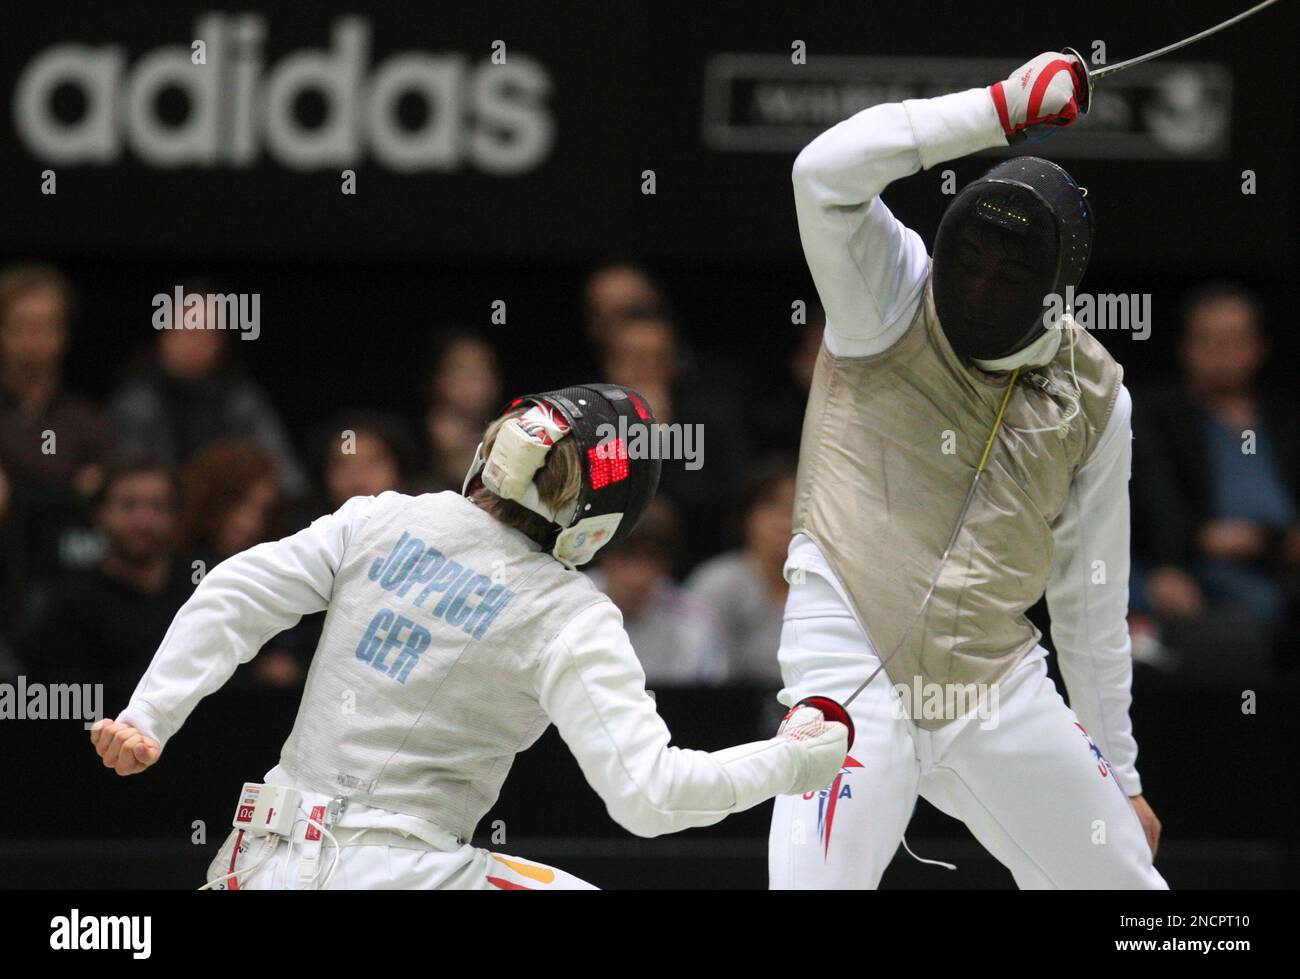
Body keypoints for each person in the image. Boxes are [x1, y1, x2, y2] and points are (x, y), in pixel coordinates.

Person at [92, 384, 847, 890]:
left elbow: (235, 590)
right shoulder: (569, 612)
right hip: (400, 874)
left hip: (253, 861)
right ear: (601, 521)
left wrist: (148, 715)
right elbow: (650, 796)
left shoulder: (383, 517)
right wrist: (795, 758)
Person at [768, 51, 1166, 889]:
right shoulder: (888, 294)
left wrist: (1121, 777)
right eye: (970, 257)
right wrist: (1002, 105)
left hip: (992, 679)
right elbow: (821, 172)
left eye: (1012, 274)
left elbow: (1090, 601)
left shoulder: (1097, 398)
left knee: (1132, 894)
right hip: (850, 653)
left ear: (1055, 291)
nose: (980, 287)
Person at [1130, 284, 1300, 669]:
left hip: (1281, 561)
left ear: (1258, 345)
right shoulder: (1159, 414)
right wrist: (1175, 557)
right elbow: (1153, 505)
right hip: (1198, 564)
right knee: (1249, 613)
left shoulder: (1283, 416)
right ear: (1186, 346)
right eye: (1209, 340)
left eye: (1236, 339)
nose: (1223, 352)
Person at [21, 454, 193, 681]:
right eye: (128, 506)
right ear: (100, 513)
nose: (143, 521)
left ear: (175, 516)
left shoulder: (199, 589)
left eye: (157, 507)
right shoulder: (70, 605)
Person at [686, 457, 798, 687]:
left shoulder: (827, 588)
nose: (785, 522)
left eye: (795, 509)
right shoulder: (716, 583)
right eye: (773, 507)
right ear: (747, 517)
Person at [587, 500, 726, 685]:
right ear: (602, 554)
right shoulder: (569, 605)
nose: (636, 577)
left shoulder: (697, 621)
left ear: (667, 564)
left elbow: (711, 703)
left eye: (651, 560)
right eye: (625, 557)